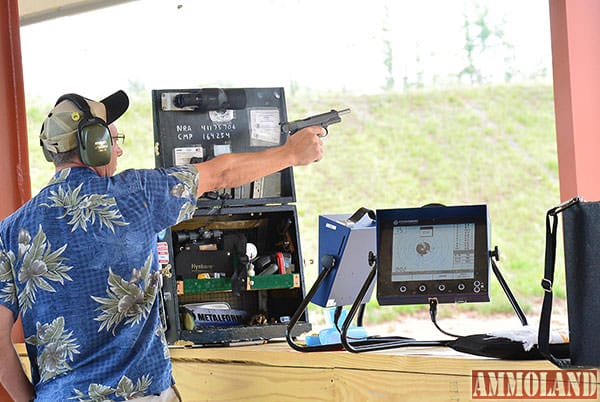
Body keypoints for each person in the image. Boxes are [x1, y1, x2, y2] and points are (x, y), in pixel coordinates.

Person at [0, 90, 324, 401]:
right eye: (114, 141)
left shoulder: (11, 231)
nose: (119, 151)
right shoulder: (136, 194)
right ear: (93, 145)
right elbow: (221, 174)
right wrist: (291, 153)